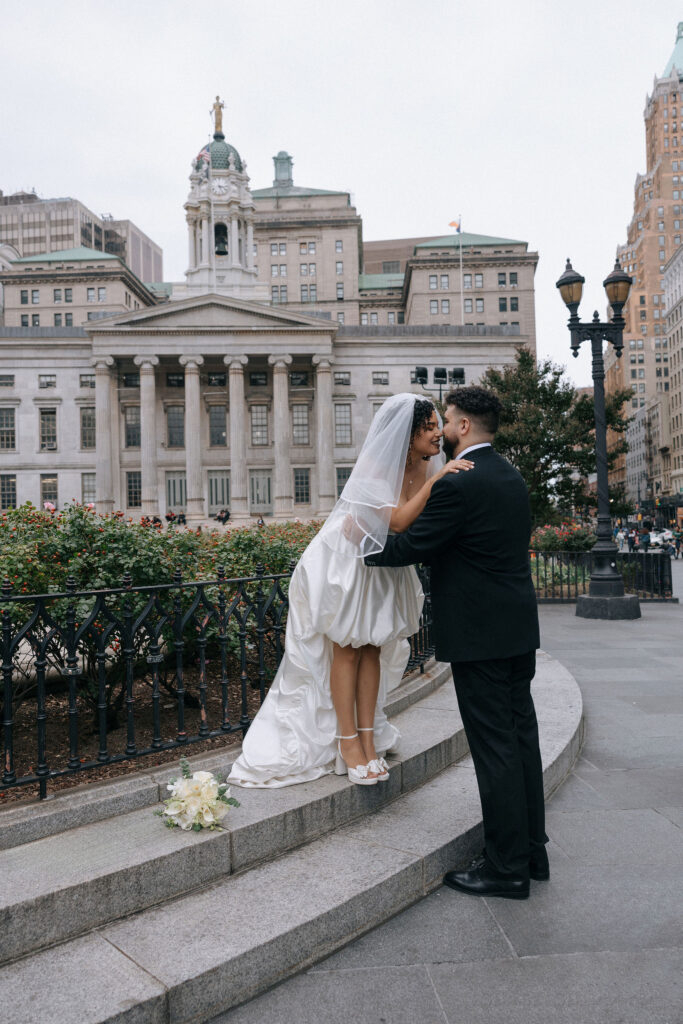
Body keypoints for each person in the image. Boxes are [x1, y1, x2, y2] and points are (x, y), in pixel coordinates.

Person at [228, 394, 473, 788]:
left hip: (380, 563)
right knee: (347, 648)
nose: (436, 434)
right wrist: (435, 485)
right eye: (427, 427)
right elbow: (394, 522)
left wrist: (433, 482)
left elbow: (413, 527)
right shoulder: (380, 465)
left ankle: (368, 739)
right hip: (344, 563)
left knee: (371, 647)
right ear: (407, 435)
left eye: (435, 425)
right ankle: (347, 743)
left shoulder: (428, 466)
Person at [365, 386, 544, 901]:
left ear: (463, 426)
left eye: (446, 420)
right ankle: (532, 852)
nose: (440, 429)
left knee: (495, 751)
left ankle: (505, 869)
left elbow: (409, 547)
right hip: (515, 631)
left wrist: (356, 542)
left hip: (479, 636)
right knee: (520, 739)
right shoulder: (511, 476)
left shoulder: (459, 482)